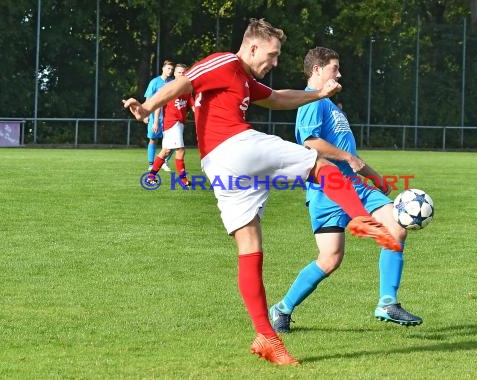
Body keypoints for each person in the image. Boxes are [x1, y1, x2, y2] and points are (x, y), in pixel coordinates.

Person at [124, 18, 401, 366]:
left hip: (218, 163)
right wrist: (148, 107)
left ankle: (267, 338)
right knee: (320, 164)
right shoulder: (225, 62)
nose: (274, 62)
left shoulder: (243, 79)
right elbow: (185, 81)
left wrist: (316, 94)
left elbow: (277, 99)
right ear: (252, 46)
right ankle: (360, 218)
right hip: (235, 145)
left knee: (250, 247)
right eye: (272, 55)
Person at [269, 47, 422, 335]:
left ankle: (387, 302)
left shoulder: (329, 104)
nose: (339, 74)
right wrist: (347, 158)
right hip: (326, 191)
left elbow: (350, 155)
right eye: (334, 68)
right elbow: (310, 143)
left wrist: (374, 176)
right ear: (317, 70)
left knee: (396, 228)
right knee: (329, 259)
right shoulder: (312, 102)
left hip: (354, 187)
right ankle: (282, 308)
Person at [147, 63, 193, 186]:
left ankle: (151, 177)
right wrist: (156, 121)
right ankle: (183, 180)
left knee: (165, 151)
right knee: (180, 150)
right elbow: (158, 104)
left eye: (183, 72)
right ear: (174, 74)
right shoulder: (169, 87)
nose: (181, 74)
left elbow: (192, 106)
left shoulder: (187, 89)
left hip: (179, 124)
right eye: (179, 72)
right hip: (172, 123)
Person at [144, 60, 174, 171]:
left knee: (173, 141)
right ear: (163, 68)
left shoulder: (172, 82)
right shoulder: (154, 82)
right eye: (168, 68)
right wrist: (145, 115)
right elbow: (148, 99)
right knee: (153, 139)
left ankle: (164, 162)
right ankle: (151, 164)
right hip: (154, 116)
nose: (170, 71)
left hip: (170, 116)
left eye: (171, 69)